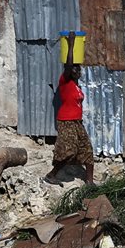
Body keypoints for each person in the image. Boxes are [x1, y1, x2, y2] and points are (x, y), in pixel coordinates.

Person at [47, 57, 95, 185]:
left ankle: (90, 182)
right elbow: (68, 66)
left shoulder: (76, 86)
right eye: (74, 68)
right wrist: (72, 44)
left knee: (87, 149)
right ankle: (51, 175)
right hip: (66, 121)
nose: (77, 70)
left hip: (77, 122)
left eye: (78, 68)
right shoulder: (64, 82)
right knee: (69, 151)